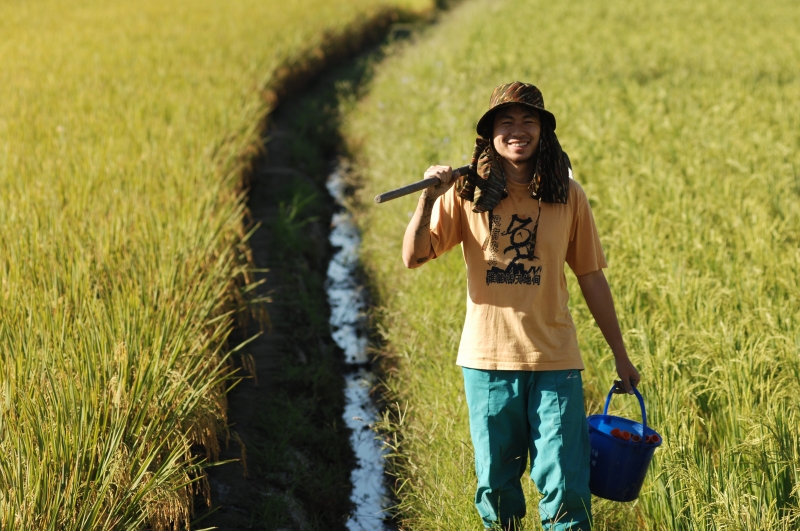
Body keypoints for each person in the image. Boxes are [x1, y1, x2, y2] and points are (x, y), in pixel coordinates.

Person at [401, 82, 640, 530]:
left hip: (554, 361)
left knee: (567, 486)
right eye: (506, 121)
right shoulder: (466, 194)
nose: (517, 130)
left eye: (528, 120)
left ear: (543, 131)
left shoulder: (568, 195)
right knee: (496, 488)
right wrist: (428, 196)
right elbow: (413, 257)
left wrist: (620, 354)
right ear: (489, 133)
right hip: (488, 364)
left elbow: (591, 276)